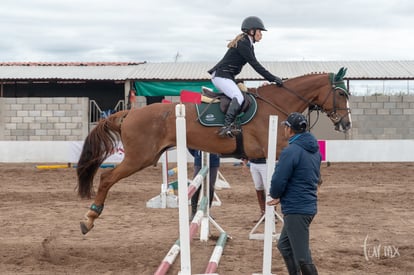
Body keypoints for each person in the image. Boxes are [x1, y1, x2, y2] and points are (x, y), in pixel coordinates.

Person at [208, 16, 284, 137]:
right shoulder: (243, 43)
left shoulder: (248, 43)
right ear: (251, 31)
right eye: (259, 31)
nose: (261, 34)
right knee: (238, 96)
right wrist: (272, 78)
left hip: (226, 76)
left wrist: (272, 78)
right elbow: (255, 64)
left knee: (243, 94)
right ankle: (226, 126)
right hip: (221, 76)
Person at [268, 112, 321, 275]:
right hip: (305, 205)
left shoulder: (290, 151)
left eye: (286, 126)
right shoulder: (315, 151)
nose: (284, 129)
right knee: (284, 245)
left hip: (296, 208)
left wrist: (275, 194)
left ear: (290, 130)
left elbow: (279, 178)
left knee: (303, 257)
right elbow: (318, 178)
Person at [188, 149, 220, 220]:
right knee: (196, 185)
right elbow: (190, 146)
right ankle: (193, 211)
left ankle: (207, 210)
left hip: (214, 161)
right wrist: (197, 154)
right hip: (199, 160)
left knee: (210, 187)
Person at [246, 157, 268, 222]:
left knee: (268, 188)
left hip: (265, 163)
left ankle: (272, 214)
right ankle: (263, 212)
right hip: (253, 163)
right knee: (258, 187)